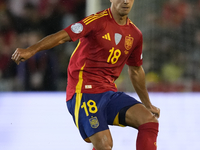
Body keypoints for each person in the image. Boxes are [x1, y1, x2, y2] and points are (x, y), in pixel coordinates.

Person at [11, 0, 160, 150]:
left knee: (149, 121)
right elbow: (63, 36)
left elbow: (135, 70)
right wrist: (31, 50)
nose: (126, 1)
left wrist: (147, 103)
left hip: (108, 93)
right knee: (105, 144)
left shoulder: (135, 34)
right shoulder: (96, 21)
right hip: (83, 91)